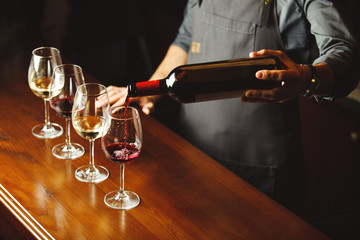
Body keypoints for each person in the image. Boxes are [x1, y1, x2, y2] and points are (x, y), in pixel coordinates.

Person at [99, 0, 360, 215]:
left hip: (261, 169)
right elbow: (187, 39)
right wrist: (150, 92)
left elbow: (344, 54)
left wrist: (307, 78)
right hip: (191, 150)